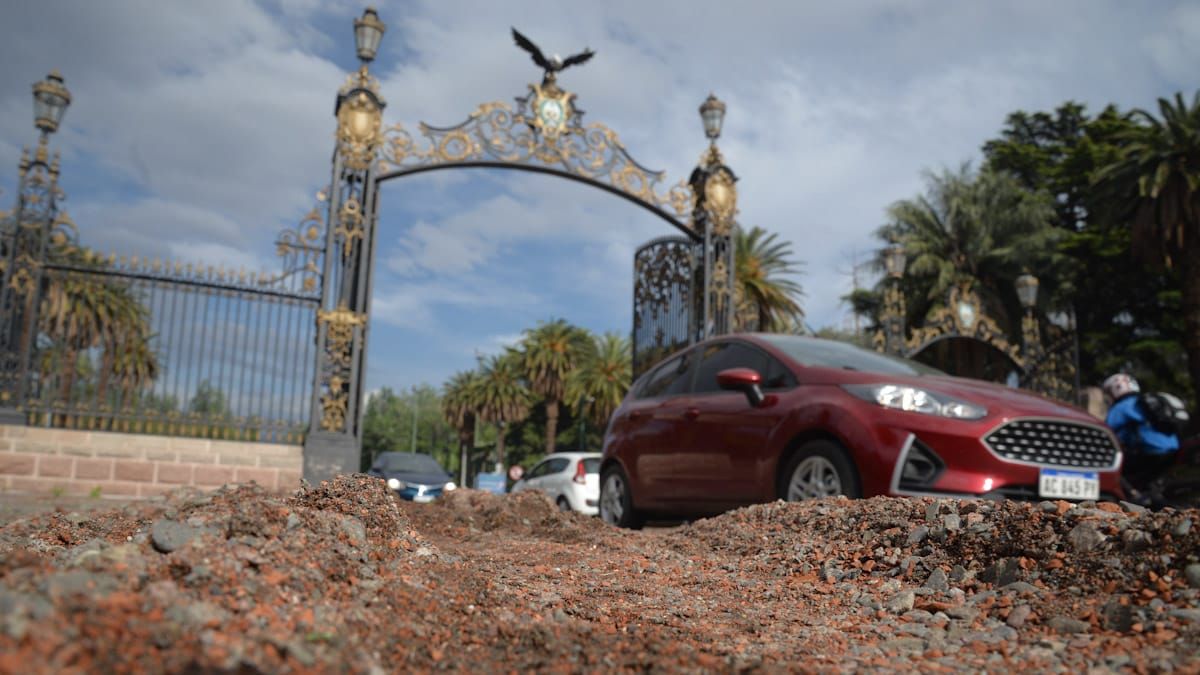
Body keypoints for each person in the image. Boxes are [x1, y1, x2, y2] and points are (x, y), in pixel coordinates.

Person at [1102, 373, 1180, 505]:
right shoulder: (1143, 402)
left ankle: (1134, 496)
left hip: (1149, 453)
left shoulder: (1120, 407)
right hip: (1173, 449)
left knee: (1112, 465)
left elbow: (1106, 433)